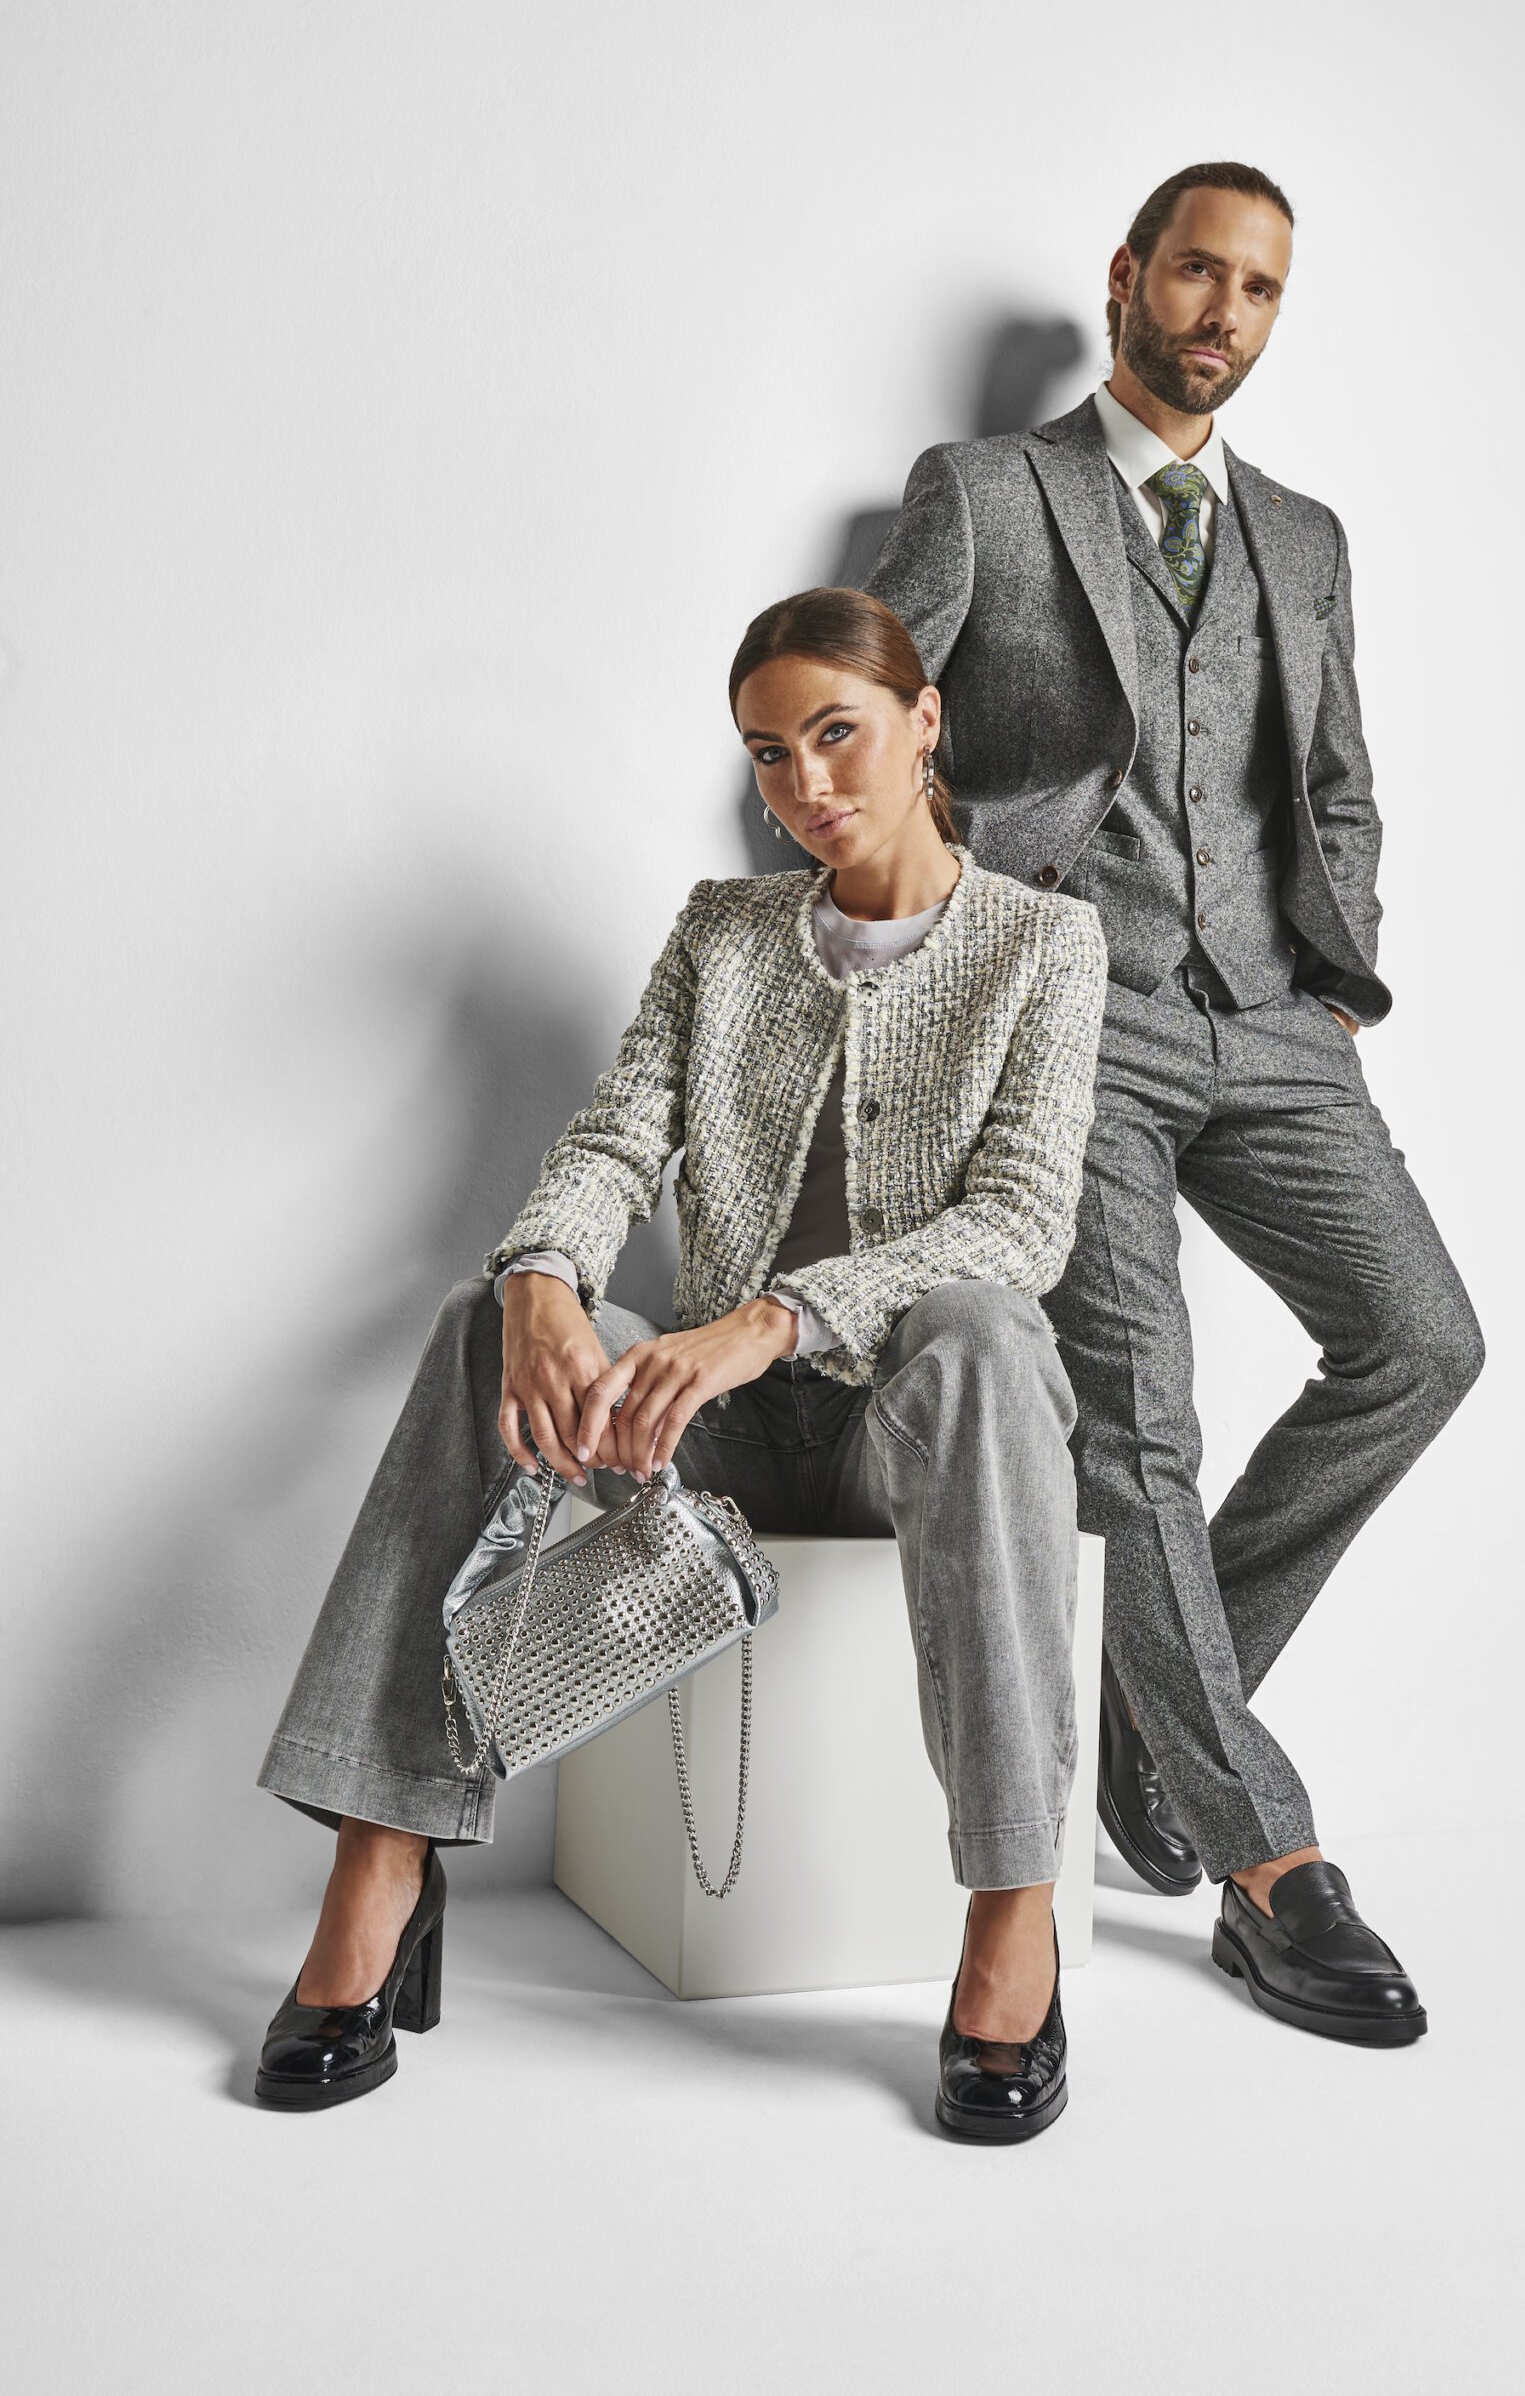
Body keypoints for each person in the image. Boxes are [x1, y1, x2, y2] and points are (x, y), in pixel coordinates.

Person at [253, 586, 1108, 2139]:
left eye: (836, 735)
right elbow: (614, 1140)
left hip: (903, 1435)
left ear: (924, 721)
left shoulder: (1046, 943)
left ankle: (1010, 1910)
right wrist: (541, 1277)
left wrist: (777, 1317)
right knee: (476, 1319)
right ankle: (384, 1850)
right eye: (770, 754)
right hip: (698, 1436)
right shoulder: (723, 934)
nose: (806, 786)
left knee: (982, 1331)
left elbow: (1020, 1222)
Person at [863, 160, 1485, 2046]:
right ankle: (1266, 1862)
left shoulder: (1300, 534)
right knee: (1140, 1430)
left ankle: (1155, 1745)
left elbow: (1337, 778)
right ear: (1128, 276)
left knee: (1419, 1345)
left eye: (1260, 289)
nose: (1224, 314)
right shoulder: (988, 492)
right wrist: (966, 950)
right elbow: (857, 733)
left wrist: (1337, 977)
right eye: (1199, 273)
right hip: (1076, 1017)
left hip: (1275, 1019)